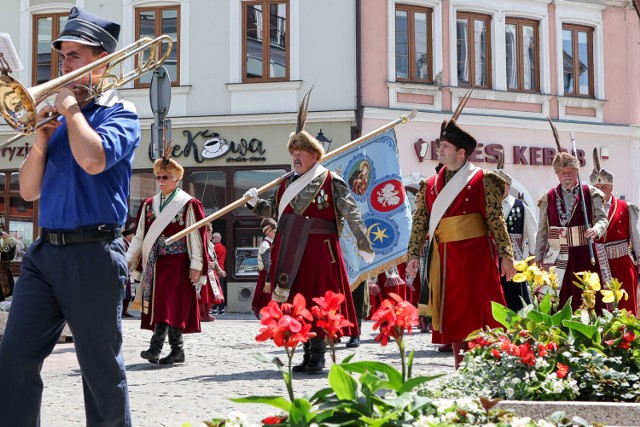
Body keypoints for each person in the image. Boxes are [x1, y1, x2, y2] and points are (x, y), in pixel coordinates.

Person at [0, 8, 137, 425]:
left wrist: (71, 112)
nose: (64, 65)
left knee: (100, 371)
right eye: (62, 57)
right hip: (45, 254)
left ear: (102, 62)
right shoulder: (58, 121)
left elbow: (94, 160)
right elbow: (28, 191)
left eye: (75, 56)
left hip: (94, 253)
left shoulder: (121, 113)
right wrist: (41, 137)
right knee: (13, 359)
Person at [243, 89, 374, 373]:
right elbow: (275, 211)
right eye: (293, 154)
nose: (296, 158)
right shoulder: (286, 183)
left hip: (319, 250)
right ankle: (305, 353)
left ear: (315, 156)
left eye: (301, 153)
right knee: (296, 301)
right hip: (290, 249)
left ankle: (318, 355)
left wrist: (363, 243)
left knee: (318, 301)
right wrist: (255, 204)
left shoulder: (330, 180)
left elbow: (351, 211)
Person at [406, 119, 516, 369]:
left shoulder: (483, 180)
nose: (440, 150)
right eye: (440, 145)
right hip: (445, 260)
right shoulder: (429, 185)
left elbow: (496, 220)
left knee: (481, 313)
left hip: (477, 258)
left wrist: (506, 255)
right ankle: (461, 367)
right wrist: (413, 255)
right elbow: (420, 222)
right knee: (454, 316)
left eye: (445, 146)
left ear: (461, 152)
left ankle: (491, 366)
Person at [127, 157, 208, 365]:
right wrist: (128, 259)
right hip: (155, 262)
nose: (161, 181)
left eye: (166, 177)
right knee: (163, 305)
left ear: (177, 179)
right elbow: (139, 236)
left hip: (178, 262)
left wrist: (196, 264)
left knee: (168, 305)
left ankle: (155, 348)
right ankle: (176, 350)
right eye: (158, 177)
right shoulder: (148, 205)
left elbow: (197, 237)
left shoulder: (188, 203)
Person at [534, 148, 608, 313]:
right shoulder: (549, 197)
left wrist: (596, 229)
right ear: (557, 175)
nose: (566, 175)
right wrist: (538, 256)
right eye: (562, 172)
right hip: (555, 256)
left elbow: (603, 219)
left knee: (585, 298)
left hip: (583, 255)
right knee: (555, 299)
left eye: (569, 172)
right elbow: (542, 230)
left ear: (577, 173)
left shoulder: (590, 193)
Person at [589, 149, 640, 315]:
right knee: (598, 309)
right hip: (595, 265)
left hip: (621, 265)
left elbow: (636, 236)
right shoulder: (586, 209)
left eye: (603, 187)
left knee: (626, 309)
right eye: (596, 188)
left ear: (611, 187)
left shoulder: (627, 207)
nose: (600, 191)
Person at [495, 160, 537, 312]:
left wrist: (533, 259)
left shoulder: (520, 206)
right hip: (492, 259)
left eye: (502, 184)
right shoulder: (486, 207)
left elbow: (533, 233)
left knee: (516, 297)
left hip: (515, 260)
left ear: (508, 185)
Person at [251, 218, 277, 318]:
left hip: (269, 273)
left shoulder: (271, 243)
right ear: (268, 232)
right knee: (266, 297)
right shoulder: (265, 245)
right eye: (274, 232)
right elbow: (268, 264)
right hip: (267, 274)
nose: (276, 234)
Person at [202, 224, 225, 322]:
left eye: (211, 232)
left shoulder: (211, 245)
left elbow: (215, 260)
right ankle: (202, 314)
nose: (211, 234)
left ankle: (206, 313)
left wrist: (220, 271)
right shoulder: (200, 243)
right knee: (203, 296)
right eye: (209, 232)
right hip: (203, 272)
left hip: (211, 273)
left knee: (213, 295)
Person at [210, 231, 227, 315]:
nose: (212, 239)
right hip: (221, 269)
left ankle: (214, 307)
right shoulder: (223, 247)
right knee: (220, 289)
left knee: (215, 290)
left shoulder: (215, 247)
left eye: (213, 237)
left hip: (216, 271)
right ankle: (221, 308)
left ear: (217, 238)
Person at [122, 226, 136, 318]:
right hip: (125, 272)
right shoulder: (124, 244)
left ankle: (124, 311)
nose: (133, 237)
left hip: (129, 272)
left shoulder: (129, 244)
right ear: (127, 236)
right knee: (124, 294)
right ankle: (122, 312)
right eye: (132, 235)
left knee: (129, 294)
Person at [0, 230, 16, 301]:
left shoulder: (6, 242)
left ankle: (4, 294)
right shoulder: (7, 242)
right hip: (5, 265)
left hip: (4, 265)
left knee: (4, 281)